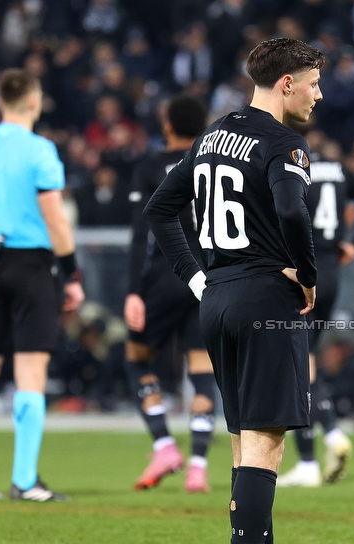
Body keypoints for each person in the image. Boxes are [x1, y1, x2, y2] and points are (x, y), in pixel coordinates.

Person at [145, 38, 323, 544]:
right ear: (287, 83)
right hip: (265, 296)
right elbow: (293, 211)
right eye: (313, 83)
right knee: (266, 444)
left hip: (218, 299)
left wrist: (196, 279)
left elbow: (159, 209)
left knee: (247, 445)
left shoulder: (212, 136)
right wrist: (308, 277)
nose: (319, 95)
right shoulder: (283, 143)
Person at [0, 69, 85, 503]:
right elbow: (55, 218)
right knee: (30, 368)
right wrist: (72, 274)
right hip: (31, 265)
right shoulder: (40, 150)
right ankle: (25, 480)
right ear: (32, 100)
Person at [277, 145, 354, 488]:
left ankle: (319, 448)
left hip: (303, 271)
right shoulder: (340, 171)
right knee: (306, 359)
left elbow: (288, 213)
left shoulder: (296, 167)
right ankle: (325, 440)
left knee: (295, 364)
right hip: (332, 272)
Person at [124, 95, 218, 494]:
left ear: (167, 126)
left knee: (136, 359)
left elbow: (139, 235)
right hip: (208, 278)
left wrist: (133, 291)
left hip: (165, 276)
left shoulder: (149, 166)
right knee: (203, 372)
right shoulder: (212, 162)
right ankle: (198, 468)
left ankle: (164, 446)